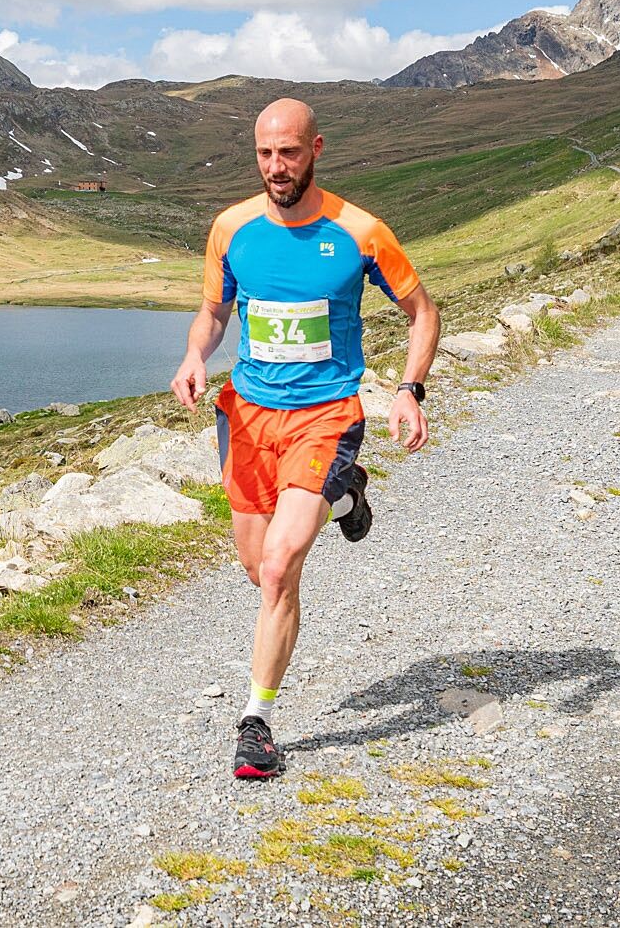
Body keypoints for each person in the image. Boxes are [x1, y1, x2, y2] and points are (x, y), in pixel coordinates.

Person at [170, 97, 440, 780]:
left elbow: (422, 311)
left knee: (280, 564)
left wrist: (409, 389)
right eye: (265, 153)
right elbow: (213, 312)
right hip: (248, 416)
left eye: (288, 152)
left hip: (325, 416)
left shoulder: (359, 231)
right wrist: (195, 354)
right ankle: (345, 498)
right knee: (255, 564)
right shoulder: (232, 228)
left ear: (316, 148)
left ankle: (256, 723)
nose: (276, 166)